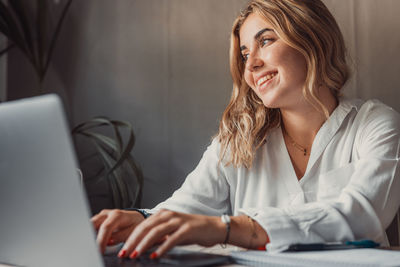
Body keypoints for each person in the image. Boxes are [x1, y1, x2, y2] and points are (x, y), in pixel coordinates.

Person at [91, 0, 400, 260]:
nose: (250, 65)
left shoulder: (375, 125)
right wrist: (141, 219)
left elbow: (362, 214)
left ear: (311, 38)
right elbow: (183, 210)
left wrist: (231, 228)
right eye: (243, 54)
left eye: (265, 41)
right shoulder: (238, 142)